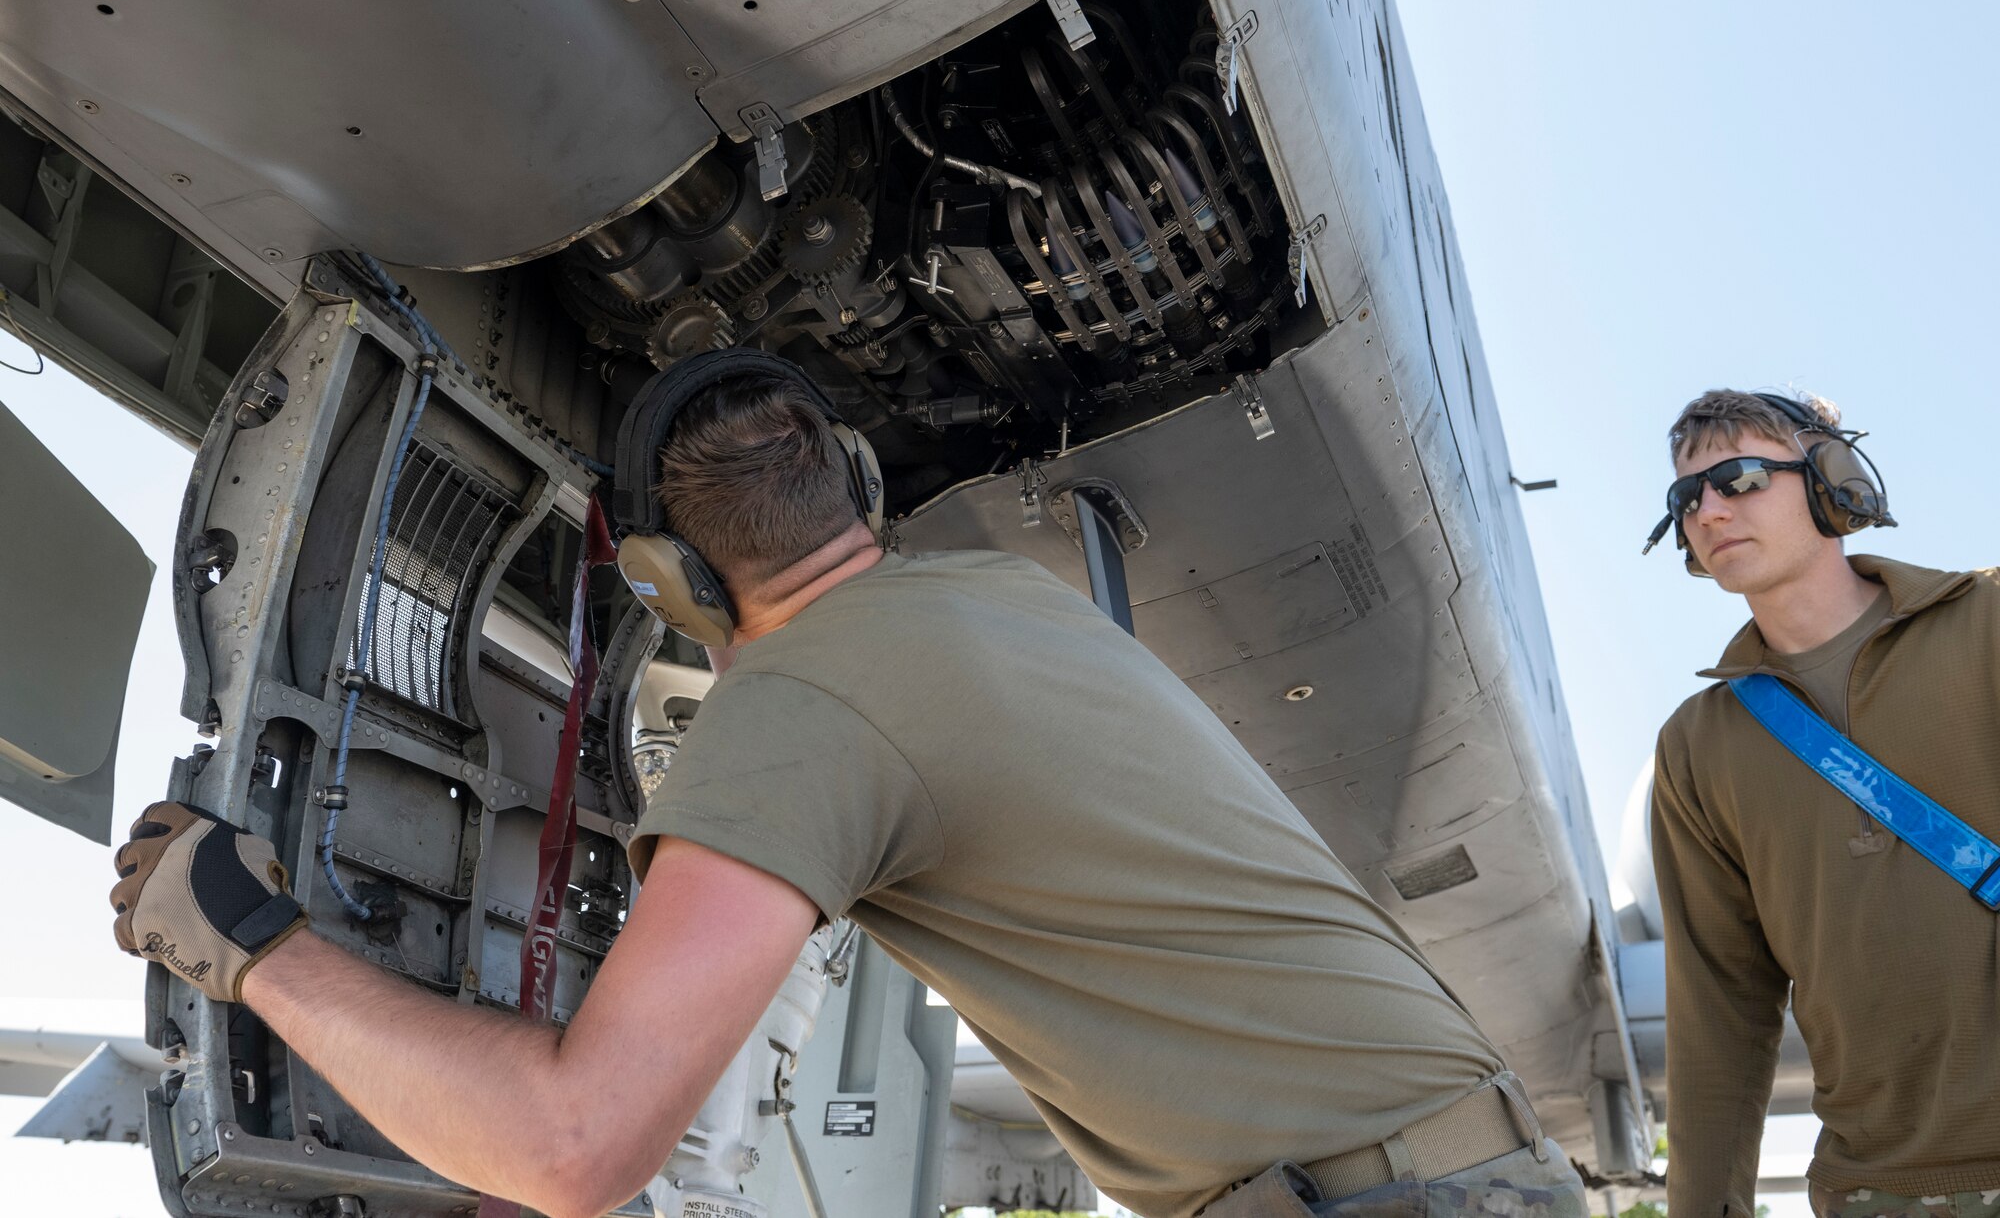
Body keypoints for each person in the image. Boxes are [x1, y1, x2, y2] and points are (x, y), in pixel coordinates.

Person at [111, 349, 1586, 1218]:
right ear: (861, 487)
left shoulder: (806, 706)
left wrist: (252, 940)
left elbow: (574, 1149)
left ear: (670, 578)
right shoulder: (1016, 605)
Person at [1647, 388, 2000, 1218]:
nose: (1707, 509)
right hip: (1875, 1192)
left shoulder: (1986, 624)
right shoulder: (1698, 747)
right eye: (1685, 495)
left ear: (1832, 482)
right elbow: (1719, 1015)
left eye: (1736, 477)